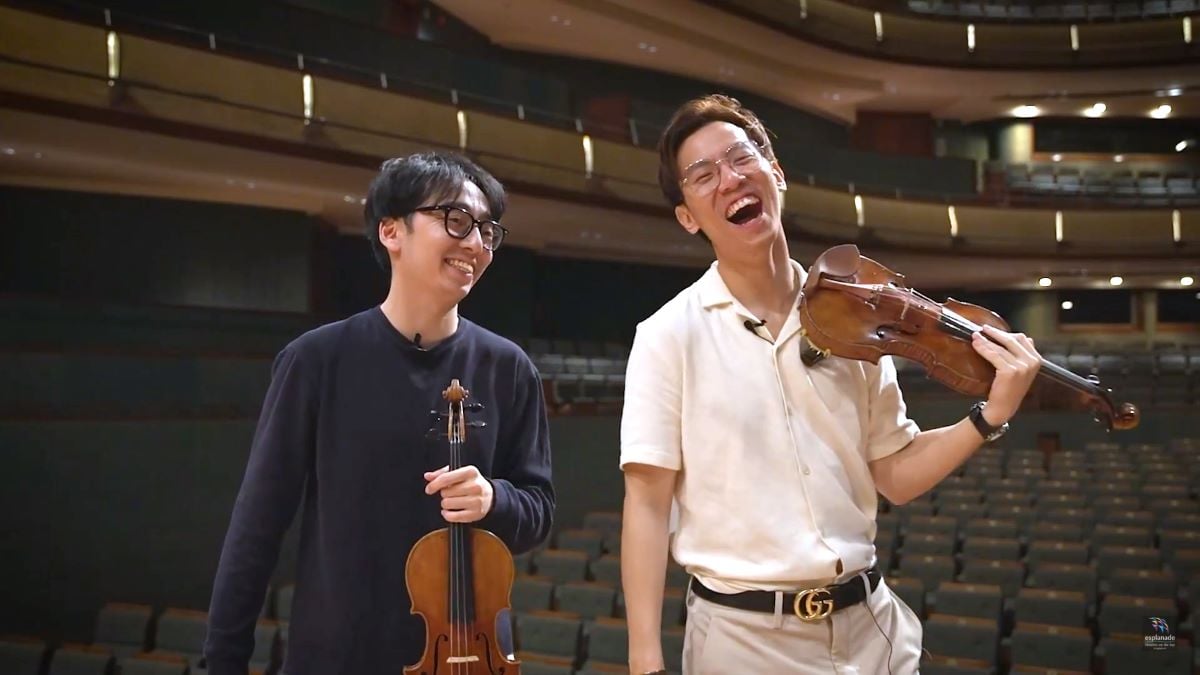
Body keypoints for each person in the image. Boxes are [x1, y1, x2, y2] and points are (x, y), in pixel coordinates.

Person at [619, 95, 1041, 674]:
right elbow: (645, 503)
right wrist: (645, 659)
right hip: (743, 645)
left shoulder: (857, 319)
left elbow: (895, 472)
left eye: (743, 157)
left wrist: (989, 414)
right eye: (703, 175)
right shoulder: (667, 335)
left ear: (776, 173)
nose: (730, 179)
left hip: (871, 630)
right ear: (688, 216)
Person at [203, 151, 555, 675]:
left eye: (487, 231)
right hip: (340, 653)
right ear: (392, 231)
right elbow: (257, 525)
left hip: (469, 655)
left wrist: (494, 498)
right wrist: (223, 664)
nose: (476, 244)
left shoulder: (509, 368)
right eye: (456, 221)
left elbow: (538, 512)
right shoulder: (316, 361)